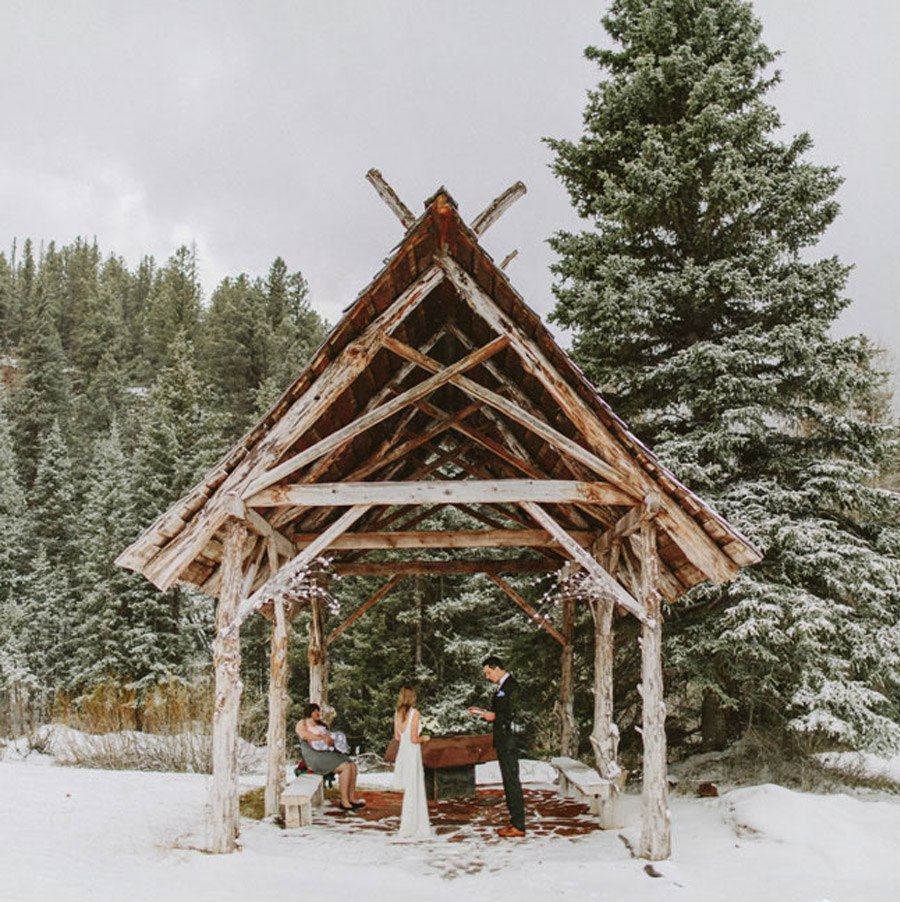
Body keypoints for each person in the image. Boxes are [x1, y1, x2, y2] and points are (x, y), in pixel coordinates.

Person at [468, 655, 526, 837]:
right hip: (503, 739)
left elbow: (513, 714)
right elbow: (501, 711)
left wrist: (493, 717)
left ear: (497, 668)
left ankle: (519, 824)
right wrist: (485, 713)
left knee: (511, 781)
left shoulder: (511, 686)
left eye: (488, 672)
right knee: (508, 782)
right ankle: (514, 821)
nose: (487, 677)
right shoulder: (503, 687)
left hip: (509, 740)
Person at [296, 702, 364, 811]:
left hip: (326, 752)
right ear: (309, 712)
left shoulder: (321, 725)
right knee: (345, 767)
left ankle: (351, 798)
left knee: (352, 766)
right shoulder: (302, 723)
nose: (318, 713)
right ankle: (344, 802)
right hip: (313, 756)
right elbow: (304, 735)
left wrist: (332, 741)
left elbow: (330, 741)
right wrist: (322, 738)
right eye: (315, 711)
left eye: (318, 711)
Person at [391, 686, 433, 840]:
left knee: (410, 788)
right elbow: (414, 739)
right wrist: (425, 738)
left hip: (403, 752)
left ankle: (410, 824)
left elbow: (397, 736)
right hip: (412, 752)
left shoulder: (397, 713)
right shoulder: (415, 713)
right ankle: (415, 825)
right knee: (415, 788)